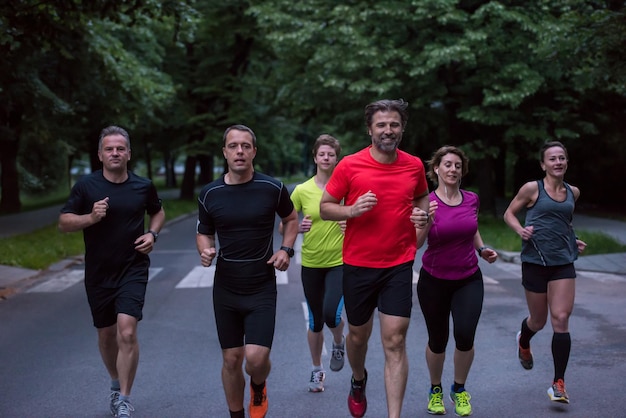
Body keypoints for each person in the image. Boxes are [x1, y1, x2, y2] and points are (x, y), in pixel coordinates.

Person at [320, 99, 431, 418]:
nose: (388, 130)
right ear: (370, 129)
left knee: (395, 340)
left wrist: (420, 215)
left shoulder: (413, 165)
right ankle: (358, 378)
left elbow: (422, 195)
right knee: (358, 336)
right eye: (381, 124)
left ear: (402, 129)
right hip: (358, 265)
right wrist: (351, 210)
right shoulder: (350, 165)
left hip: (398, 264)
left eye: (394, 124)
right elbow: (326, 206)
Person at [58, 125, 165, 418]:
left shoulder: (143, 186)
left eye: (120, 148)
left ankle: (125, 399)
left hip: (133, 268)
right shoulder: (86, 187)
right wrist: (91, 217)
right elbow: (64, 222)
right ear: (100, 154)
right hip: (99, 272)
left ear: (129, 153)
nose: (115, 153)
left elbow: (157, 211)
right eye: (109, 149)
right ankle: (116, 384)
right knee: (106, 335)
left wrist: (152, 234)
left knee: (127, 331)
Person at [196, 124, 298, 418]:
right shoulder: (210, 193)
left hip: (261, 285)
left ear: (254, 151)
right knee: (231, 359)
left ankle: (258, 382)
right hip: (226, 287)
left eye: (245, 146)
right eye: (233, 146)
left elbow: (291, 219)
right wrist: (204, 249)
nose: (239, 151)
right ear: (225, 152)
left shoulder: (272, 187)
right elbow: (204, 231)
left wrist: (286, 249)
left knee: (255, 358)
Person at [415, 146, 498, 416]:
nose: (453, 170)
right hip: (434, 280)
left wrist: (482, 248)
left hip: (468, 278)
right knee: (438, 339)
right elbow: (415, 245)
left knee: (464, 334)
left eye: (457, 166)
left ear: (462, 171)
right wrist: (428, 219)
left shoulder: (472, 199)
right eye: (447, 164)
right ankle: (435, 389)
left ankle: (459, 389)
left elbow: (471, 228)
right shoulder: (426, 202)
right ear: (436, 169)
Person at [503, 140, 587, 405]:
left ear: (567, 162)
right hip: (535, 262)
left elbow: (565, 222)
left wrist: (573, 240)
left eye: (562, 158)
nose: (558, 162)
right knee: (538, 321)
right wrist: (520, 230)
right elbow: (509, 214)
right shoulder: (532, 189)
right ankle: (524, 339)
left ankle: (558, 384)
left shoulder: (573, 192)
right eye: (552, 159)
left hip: (563, 262)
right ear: (543, 164)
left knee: (560, 318)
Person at [287, 134, 346, 393]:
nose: (326, 158)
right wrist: (298, 227)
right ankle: (316, 371)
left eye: (330, 154)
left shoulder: (347, 188)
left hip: (340, 261)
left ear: (336, 158)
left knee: (331, 313)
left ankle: (338, 341)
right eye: (321, 154)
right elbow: (284, 223)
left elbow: (362, 214)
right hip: (311, 262)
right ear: (315, 158)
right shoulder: (301, 190)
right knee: (314, 321)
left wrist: (350, 222)